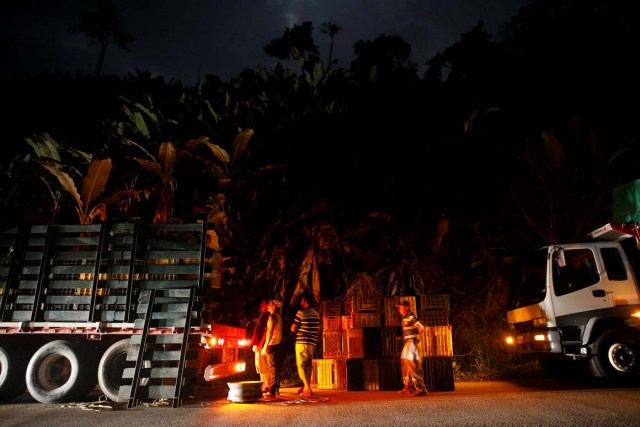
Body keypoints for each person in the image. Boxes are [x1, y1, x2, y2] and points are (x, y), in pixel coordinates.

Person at [395, 300, 428, 397]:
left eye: (400, 307)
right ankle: (408, 386)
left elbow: (420, 326)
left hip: (412, 343)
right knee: (405, 362)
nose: (399, 309)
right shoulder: (405, 318)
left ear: (406, 307)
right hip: (407, 343)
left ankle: (421, 389)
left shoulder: (410, 316)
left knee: (413, 365)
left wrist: (420, 330)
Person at [290, 293, 320, 398]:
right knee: (308, 366)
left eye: (302, 300)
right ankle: (307, 387)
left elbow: (293, 328)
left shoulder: (301, 313)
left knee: (301, 366)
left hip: (301, 342)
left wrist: (295, 330)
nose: (301, 302)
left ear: (306, 301)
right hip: (311, 343)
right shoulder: (316, 314)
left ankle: (307, 387)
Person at [261, 297, 283, 397]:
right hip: (278, 343)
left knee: (272, 367)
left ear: (274, 306)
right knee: (277, 367)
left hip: (272, 344)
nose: (268, 306)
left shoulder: (272, 317)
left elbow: (269, 332)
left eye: (270, 304)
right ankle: (276, 388)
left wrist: (265, 346)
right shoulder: (279, 316)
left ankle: (272, 389)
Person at [250, 299, 270, 392]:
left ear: (267, 304)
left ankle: (267, 385)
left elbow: (266, 330)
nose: (261, 305)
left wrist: (261, 343)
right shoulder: (263, 314)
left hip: (260, 343)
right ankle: (263, 384)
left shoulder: (267, 315)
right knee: (259, 365)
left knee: (263, 365)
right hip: (257, 343)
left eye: (263, 303)